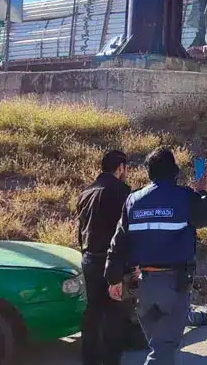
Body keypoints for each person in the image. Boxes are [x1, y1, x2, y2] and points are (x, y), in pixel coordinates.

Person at [105, 147, 207, 364]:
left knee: (158, 344)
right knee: (163, 351)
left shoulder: (133, 200)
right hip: (174, 286)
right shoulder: (185, 197)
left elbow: (118, 243)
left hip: (144, 286)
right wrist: (201, 191)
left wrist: (113, 279)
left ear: (149, 172)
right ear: (175, 171)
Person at [76, 149, 132, 365]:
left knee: (93, 311)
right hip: (111, 260)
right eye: (125, 168)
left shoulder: (86, 192)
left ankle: (89, 358)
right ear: (120, 168)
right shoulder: (121, 192)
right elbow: (125, 231)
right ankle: (110, 360)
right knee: (115, 313)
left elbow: (80, 229)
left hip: (88, 257)